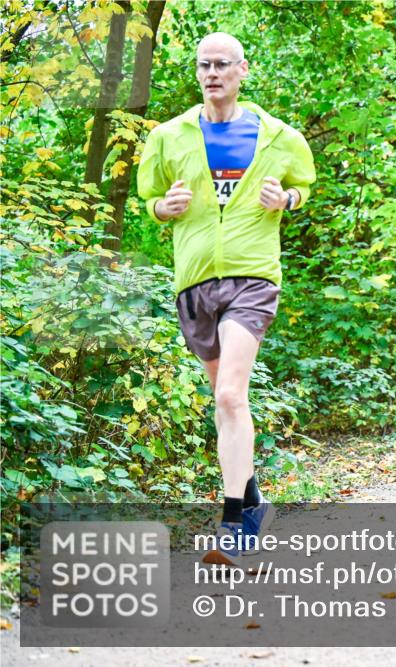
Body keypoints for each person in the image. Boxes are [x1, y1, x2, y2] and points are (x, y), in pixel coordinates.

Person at [137, 32, 316, 567]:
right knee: (224, 403)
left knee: (231, 396)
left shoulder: (279, 136)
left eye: (221, 65)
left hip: (253, 276)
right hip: (194, 282)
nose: (212, 73)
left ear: (242, 70)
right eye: (203, 65)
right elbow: (150, 196)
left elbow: (302, 186)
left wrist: (285, 198)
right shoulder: (169, 137)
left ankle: (235, 519)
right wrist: (161, 209)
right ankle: (256, 498)